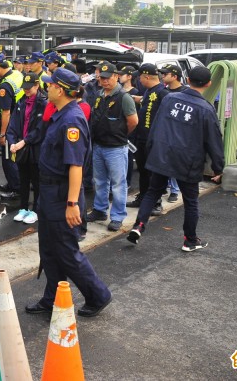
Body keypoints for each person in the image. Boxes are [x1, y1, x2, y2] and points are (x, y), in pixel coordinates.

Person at [25, 68, 112, 317]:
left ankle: (98, 294)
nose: (47, 87)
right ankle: (52, 298)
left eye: (50, 84)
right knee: (49, 249)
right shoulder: (61, 114)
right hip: (50, 191)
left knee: (65, 250)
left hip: (62, 194)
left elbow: (75, 166)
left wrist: (72, 203)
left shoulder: (71, 120)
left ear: (60, 90)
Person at [127, 66, 224, 251]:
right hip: (188, 161)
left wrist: (151, 150)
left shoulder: (170, 99)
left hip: (162, 155)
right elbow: (214, 140)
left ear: (187, 80)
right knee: (190, 200)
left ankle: (138, 226)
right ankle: (190, 240)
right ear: (209, 84)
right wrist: (219, 168)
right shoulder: (206, 108)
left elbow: (156, 126)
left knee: (153, 192)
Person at [86, 62, 138, 231]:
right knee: (100, 182)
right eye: (102, 78)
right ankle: (100, 210)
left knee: (118, 184)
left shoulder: (124, 97)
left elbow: (133, 122)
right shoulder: (100, 95)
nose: (104, 81)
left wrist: (120, 133)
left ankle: (117, 216)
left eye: (108, 78)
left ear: (116, 76)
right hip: (99, 145)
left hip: (116, 148)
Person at [128, 64, 169, 215]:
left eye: (139, 77)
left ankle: (156, 202)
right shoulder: (148, 92)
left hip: (154, 140)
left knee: (153, 172)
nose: (138, 80)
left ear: (146, 77)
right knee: (143, 171)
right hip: (141, 138)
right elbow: (143, 102)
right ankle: (143, 197)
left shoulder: (163, 93)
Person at [7, 72, 48, 224]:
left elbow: (40, 129)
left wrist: (25, 141)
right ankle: (23, 207)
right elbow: (13, 124)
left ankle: (35, 210)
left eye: (30, 88)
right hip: (20, 147)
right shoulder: (21, 102)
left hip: (35, 147)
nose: (26, 90)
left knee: (36, 180)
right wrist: (11, 141)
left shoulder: (43, 103)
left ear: (37, 86)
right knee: (23, 179)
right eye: (25, 88)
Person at [0, 56, 24, 199]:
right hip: (21, 120)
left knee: (8, 158)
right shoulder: (17, 74)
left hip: (11, 124)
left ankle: (16, 189)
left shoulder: (5, 85)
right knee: (14, 157)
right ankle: (13, 183)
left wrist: (3, 134)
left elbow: (6, 112)